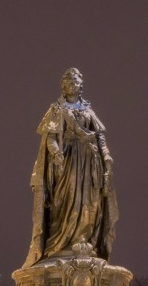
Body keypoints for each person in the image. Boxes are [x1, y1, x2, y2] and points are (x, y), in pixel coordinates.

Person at [25, 67, 117, 267]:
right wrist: (56, 152)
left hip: (90, 162)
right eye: (69, 81)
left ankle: (85, 241)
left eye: (76, 81)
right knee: (64, 201)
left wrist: (107, 156)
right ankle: (60, 243)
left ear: (80, 86)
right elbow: (50, 137)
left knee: (90, 202)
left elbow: (100, 137)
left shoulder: (88, 111)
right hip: (68, 162)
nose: (73, 84)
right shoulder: (56, 110)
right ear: (63, 86)